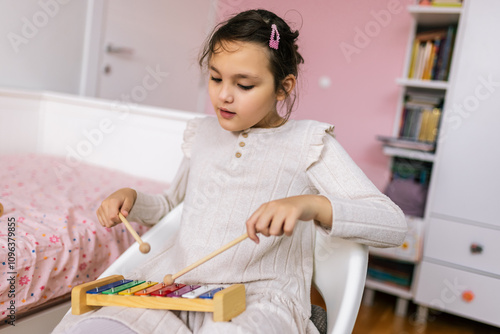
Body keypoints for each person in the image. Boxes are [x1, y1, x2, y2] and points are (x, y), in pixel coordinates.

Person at [53, 9, 407, 334]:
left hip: (258, 300)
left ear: (283, 87)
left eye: (244, 85)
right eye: (216, 78)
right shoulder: (203, 134)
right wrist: (130, 199)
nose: (223, 96)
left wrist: (310, 205)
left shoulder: (309, 142)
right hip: (175, 289)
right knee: (91, 327)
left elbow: (391, 223)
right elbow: (172, 207)